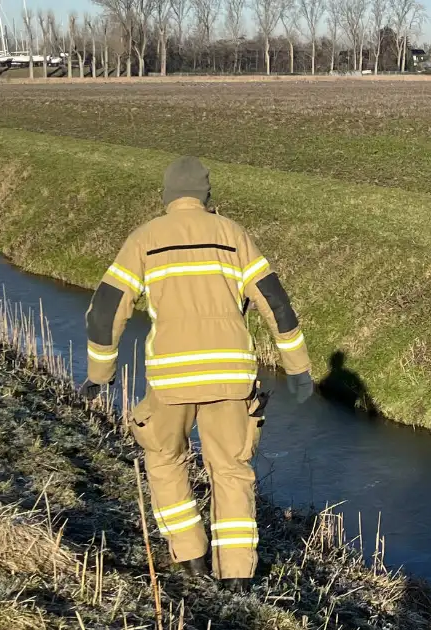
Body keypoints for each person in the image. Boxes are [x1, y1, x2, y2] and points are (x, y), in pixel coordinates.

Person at [77, 156, 315, 591]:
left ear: (166, 196)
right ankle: (238, 576)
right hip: (230, 377)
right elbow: (276, 304)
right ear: (208, 197)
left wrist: (101, 371)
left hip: (170, 381)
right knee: (231, 470)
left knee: (165, 461)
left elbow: (105, 310)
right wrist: (297, 368)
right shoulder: (233, 235)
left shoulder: (145, 238)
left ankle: (191, 560)